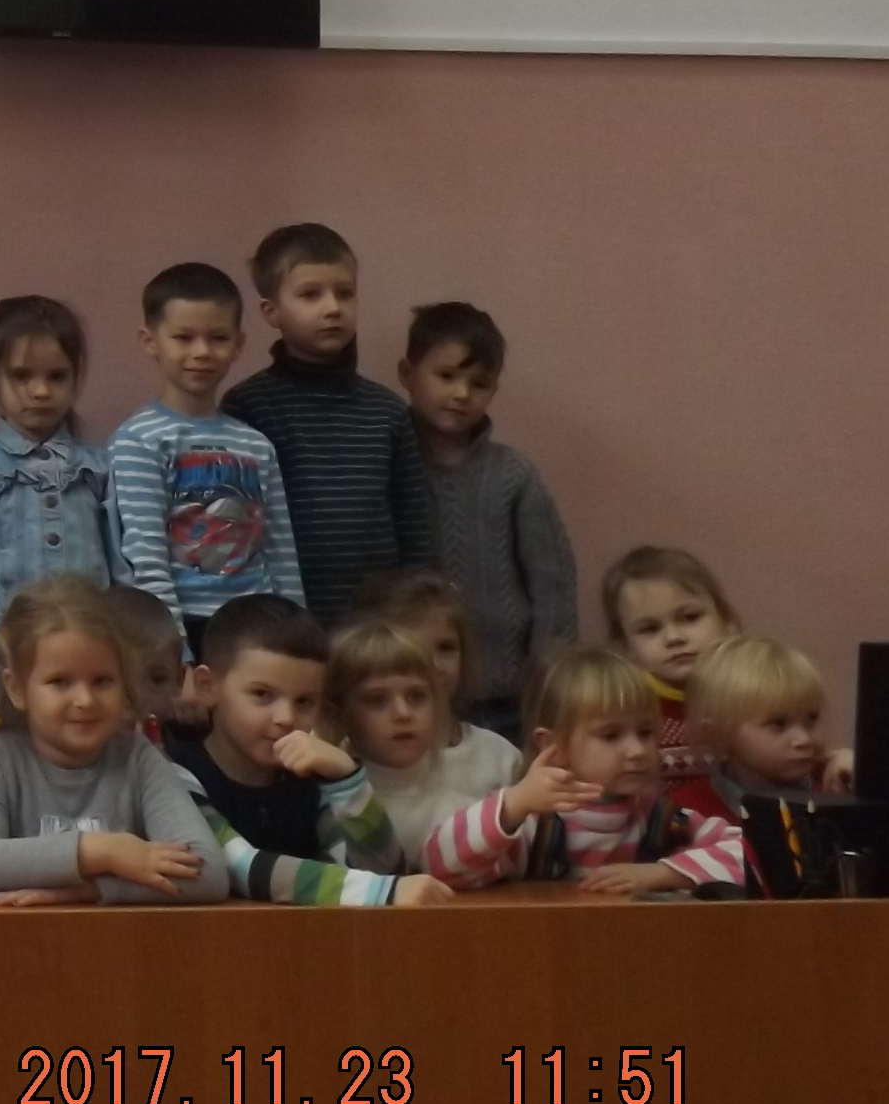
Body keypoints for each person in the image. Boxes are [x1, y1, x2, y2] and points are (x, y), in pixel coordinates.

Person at [0, 578, 227, 908]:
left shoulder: (139, 758)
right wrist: (101, 851)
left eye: (102, 681)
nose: (85, 700)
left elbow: (209, 872)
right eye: (60, 682)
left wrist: (91, 890)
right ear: (17, 688)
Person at [163, 596, 447, 908]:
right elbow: (241, 867)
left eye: (304, 702)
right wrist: (385, 892)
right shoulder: (175, 772)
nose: (286, 717)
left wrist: (347, 779)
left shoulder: (310, 776)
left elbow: (382, 870)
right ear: (207, 686)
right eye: (262, 694)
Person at [220, 223, 433, 622]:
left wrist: (422, 610)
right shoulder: (248, 407)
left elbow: (415, 526)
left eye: (345, 293)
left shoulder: (387, 411)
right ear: (271, 312)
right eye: (311, 295)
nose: (333, 308)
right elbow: (237, 530)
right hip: (286, 622)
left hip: (379, 626)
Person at [422, 646, 747, 894]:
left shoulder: (660, 819)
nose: (637, 750)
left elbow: (753, 855)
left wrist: (660, 874)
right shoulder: (534, 826)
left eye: (646, 732)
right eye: (611, 735)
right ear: (555, 747)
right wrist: (515, 803)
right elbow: (439, 866)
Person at [0, 297, 110, 739]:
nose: (40, 391)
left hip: (89, 656)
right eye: (21, 376)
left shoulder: (98, 466)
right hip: (4, 659)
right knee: (4, 761)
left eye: (57, 376)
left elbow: (123, 571)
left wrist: (134, 665)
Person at [398, 302, 576, 730]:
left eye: (479, 383)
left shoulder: (513, 474)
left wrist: (548, 684)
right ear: (408, 374)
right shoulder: (389, 466)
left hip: (507, 701)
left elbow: (553, 587)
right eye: (446, 376)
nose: (462, 393)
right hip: (408, 694)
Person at [108, 263, 303, 647]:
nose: (202, 352)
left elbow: (281, 552)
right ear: (150, 341)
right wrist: (174, 652)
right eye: (184, 338)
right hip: (185, 626)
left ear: (238, 344)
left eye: (218, 338)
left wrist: (296, 637)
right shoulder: (137, 441)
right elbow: (146, 559)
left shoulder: (257, 445)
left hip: (256, 627)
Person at [689, 634, 856, 899]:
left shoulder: (832, 786)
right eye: (778, 724)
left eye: (811, 719)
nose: (803, 739)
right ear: (718, 733)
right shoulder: (690, 810)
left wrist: (864, 783)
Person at [331, 614, 502, 856]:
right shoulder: (329, 811)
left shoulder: (464, 812)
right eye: (377, 700)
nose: (403, 713)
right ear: (340, 714)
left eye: (416, 696)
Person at [600, 545, 739, 819]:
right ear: (625, 645)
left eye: (690, 617)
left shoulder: (755, 698)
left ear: (726, 621)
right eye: (650, 629)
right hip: (656, 838)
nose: (674, 638)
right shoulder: (623, 712)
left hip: (741, 838)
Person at [103, 583, 190, 743]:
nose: (140, 697)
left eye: (158, 680)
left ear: (179, 680)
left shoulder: (184, 750)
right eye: (121, 679)